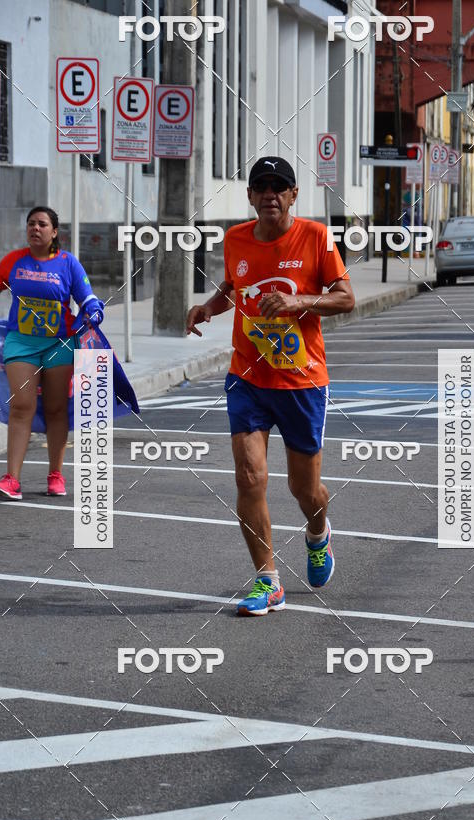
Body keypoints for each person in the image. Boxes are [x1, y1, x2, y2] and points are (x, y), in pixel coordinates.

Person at [186, 157, 355, 616]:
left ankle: (318, 534)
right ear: (250, 195)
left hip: (301, 382)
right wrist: (209, 307)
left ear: (294, 195)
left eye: (279, 187)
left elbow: (346, 298)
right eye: (261, 187)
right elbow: (234, 286)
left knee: (305, 490)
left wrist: (299, 301)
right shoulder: (236, 238)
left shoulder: (316, 237)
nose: (270, 195)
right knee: (249, 476)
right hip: (248, 377)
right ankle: (268, 580)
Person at [0, 206, 104, 500]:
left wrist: (93, 309)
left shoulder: (68, 263)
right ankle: (12, 479)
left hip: (59, 345)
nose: (35, 228)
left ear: (54, 232)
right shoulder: (14, 261)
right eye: (31, 223)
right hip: (21, 343)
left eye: (42, 224)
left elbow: (86, 296)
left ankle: (56, 475)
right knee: (22, 406)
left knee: (56, 409)